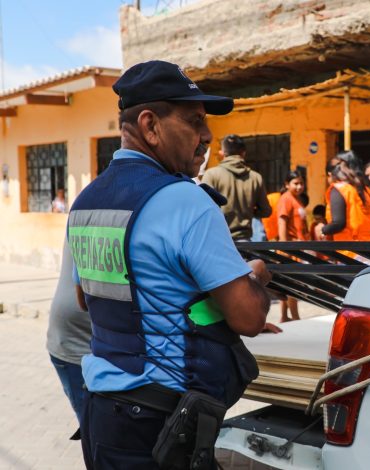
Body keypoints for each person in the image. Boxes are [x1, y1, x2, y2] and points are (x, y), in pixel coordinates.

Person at [68, 60, 273, 470]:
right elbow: (248, 316)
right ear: (150, 125)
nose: (206, 136)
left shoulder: (87, 201)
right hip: (160, 424)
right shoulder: (184, 201)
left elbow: (86, 298)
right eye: (194, 121)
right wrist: (256, 276)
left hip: (102, 416)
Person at [46, 240, 91, 428]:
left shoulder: (80, 211)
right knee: (95, 433)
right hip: (76, 342)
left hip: (78, 335)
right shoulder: (84, 212)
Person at [202, 134, 272, 241]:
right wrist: (248, 210)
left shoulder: (211, 174)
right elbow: (266, 211)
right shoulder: (256, 178)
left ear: (222, 153)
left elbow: (203, 211)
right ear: (243, 153)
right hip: (245, 243)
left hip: (219, 242)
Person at [318, 151, 370, 241]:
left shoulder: (339, 189)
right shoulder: (366, 190)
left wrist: (323, 230)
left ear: (330, 174)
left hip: (350, 249)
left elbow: (338, 223)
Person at [276, 170, 309, 322]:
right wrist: (285, 247)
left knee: (287, 283)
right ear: (286, 184)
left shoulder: (298, 199)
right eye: (295, 183)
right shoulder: (286, 198)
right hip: (290, 248)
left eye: (301, 183)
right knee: (293, 285)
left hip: (297, 248)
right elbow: (282, 222)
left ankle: (284, 316)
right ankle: (295, 317)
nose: (299, 187)